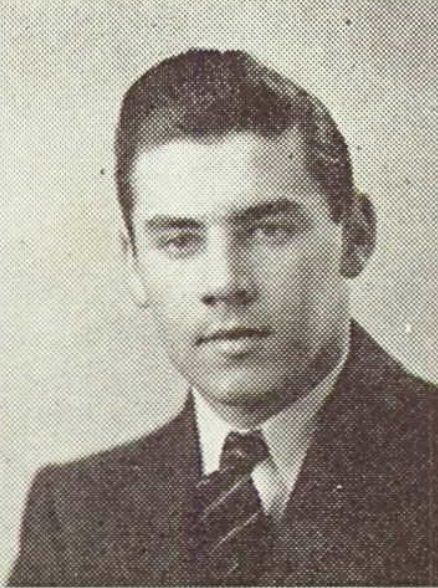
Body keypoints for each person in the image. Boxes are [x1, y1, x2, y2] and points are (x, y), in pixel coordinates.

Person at [9, 49, 437, 586]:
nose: (225, 283)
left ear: (355, 235)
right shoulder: (75, 520)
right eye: (180, 240)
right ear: (134, 263)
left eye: (268, 230)